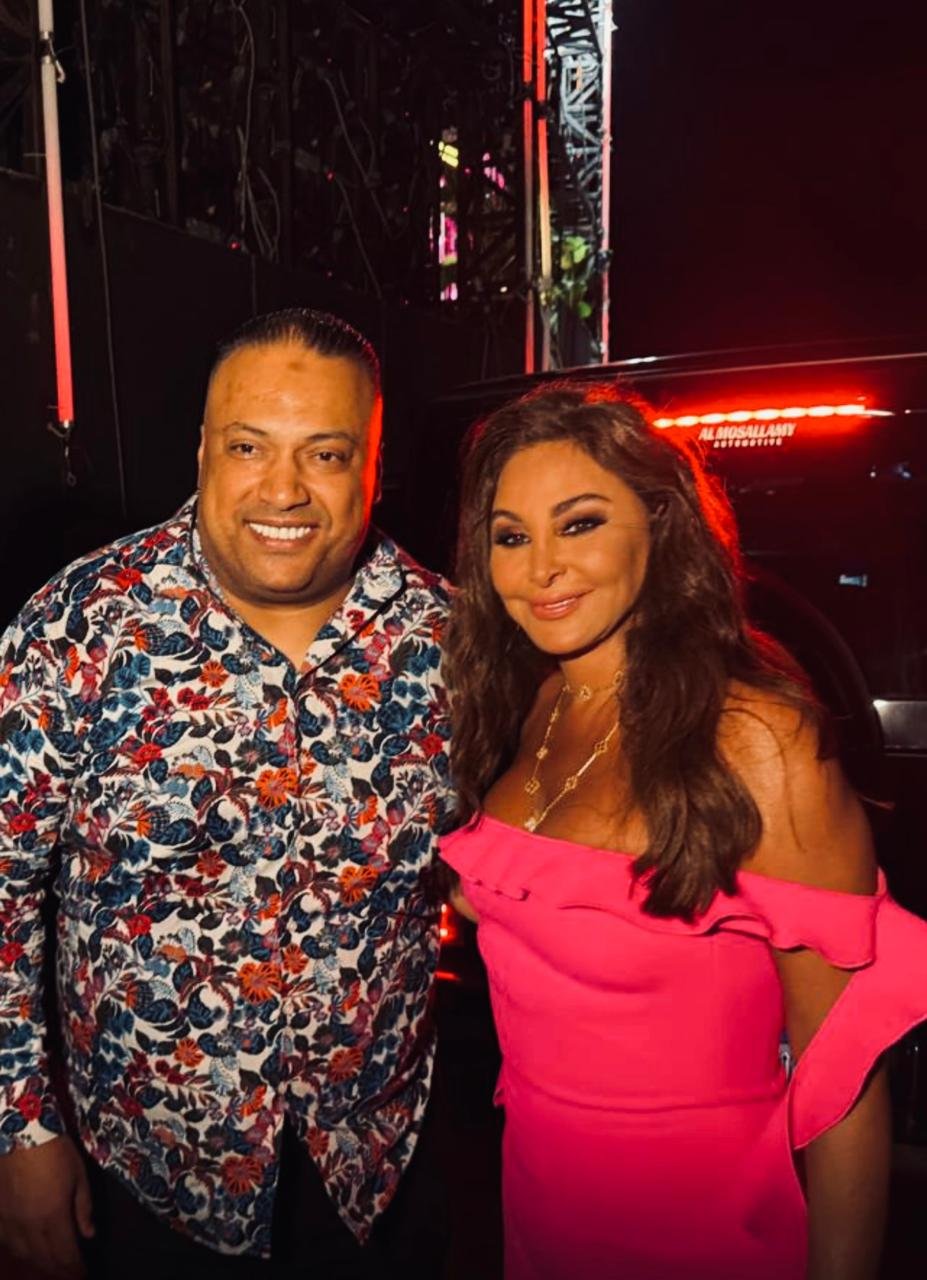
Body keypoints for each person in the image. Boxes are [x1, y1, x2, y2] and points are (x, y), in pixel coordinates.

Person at [0, 308, 453, 1279]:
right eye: (249, 446)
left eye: (326, 453)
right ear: (204, 449)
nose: (282, 489)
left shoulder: (448, 642)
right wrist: (18, 1128)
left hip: (374, 1176)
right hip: (143, 1181)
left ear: (375, 466)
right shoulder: (78, 627)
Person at [439, 382, 927, 1280]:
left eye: (579, 524)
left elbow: (845, 1082)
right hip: (539, 1212)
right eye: (511, 536)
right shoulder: (532, 705)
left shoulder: (755, 739)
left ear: (659, 526)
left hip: (704, 1234)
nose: (541, 567)